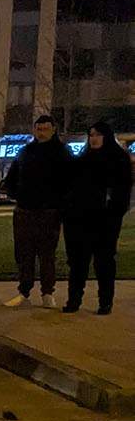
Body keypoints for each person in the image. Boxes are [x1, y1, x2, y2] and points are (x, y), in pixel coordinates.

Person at [0, 115, 73, 308]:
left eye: (45, 129)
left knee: (47, 254)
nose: (41, 133)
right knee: (24, 253)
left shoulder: (62, 153)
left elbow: (69, 182)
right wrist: (17, 194)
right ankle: (24, 291)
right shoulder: (26, 152)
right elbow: (11, 178)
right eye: (38, 129)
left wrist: (59, 204)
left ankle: (47, 292)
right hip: (25, 210)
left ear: (53, 129)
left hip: (49, 212)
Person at [62, 122, 131, 315]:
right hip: (81, 220)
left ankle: (105, 301)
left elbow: (122, 194)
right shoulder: (83, 160)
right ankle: (74, 299)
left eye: (98, 135)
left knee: (104, 262)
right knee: (78, 262)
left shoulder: (118, 160)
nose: (94, 138)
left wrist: (113, 213)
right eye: (91, 134)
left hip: (105, 221)